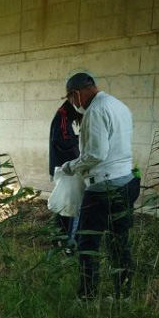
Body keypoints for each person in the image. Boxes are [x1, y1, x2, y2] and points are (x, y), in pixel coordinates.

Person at [57, 72, 134, 300]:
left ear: (77, 93)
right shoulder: (119, 105)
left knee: (87, 243)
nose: (73, 104)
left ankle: (87, 298)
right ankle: (124, 295)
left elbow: (96, 154)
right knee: (119, 242)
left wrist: (72, 166)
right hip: (126, 182)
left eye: (72, 99)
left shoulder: (94, 111)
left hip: (103, 188)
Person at [49, 100, 82, 250]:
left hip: (64, 167)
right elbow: (62, 140)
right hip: (64, 168)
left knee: (65, 205)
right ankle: (63, 240)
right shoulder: (62, 117)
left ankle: (58, 238)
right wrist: (78, 142)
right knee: (67, 207)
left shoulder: (63, 116)